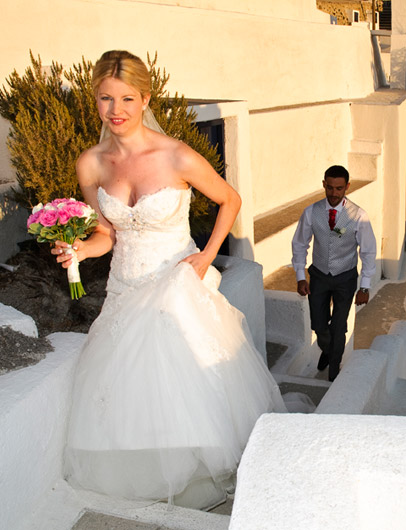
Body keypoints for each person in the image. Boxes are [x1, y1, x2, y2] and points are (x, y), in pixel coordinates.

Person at [53, 50, 285, 510]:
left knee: (188, 389)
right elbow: (107, 232)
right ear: (94, 100)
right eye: (105, 98)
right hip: (124, 290)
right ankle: (149, 478)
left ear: (145, 99)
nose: (115, 110)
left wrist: (207, 256)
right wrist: (79, 250)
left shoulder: (175, 155)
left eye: (126, 98)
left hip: (177, 284)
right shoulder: (91, 164)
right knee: (132, 392)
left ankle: (199, 478)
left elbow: (230, 199)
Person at [291, 165, 376, 381]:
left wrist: (364, 286)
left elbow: (368, 252)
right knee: (319, 325)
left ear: (347, 187)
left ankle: (334, 369)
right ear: (324, 185)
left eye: (339, 188)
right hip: (318, 275)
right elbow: (300, 244)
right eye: (329, 188)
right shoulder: (311, 212)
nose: (334, 193)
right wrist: (301, 277)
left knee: (339, 327)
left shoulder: (359, 216)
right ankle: (327, 350)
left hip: (345, 278)